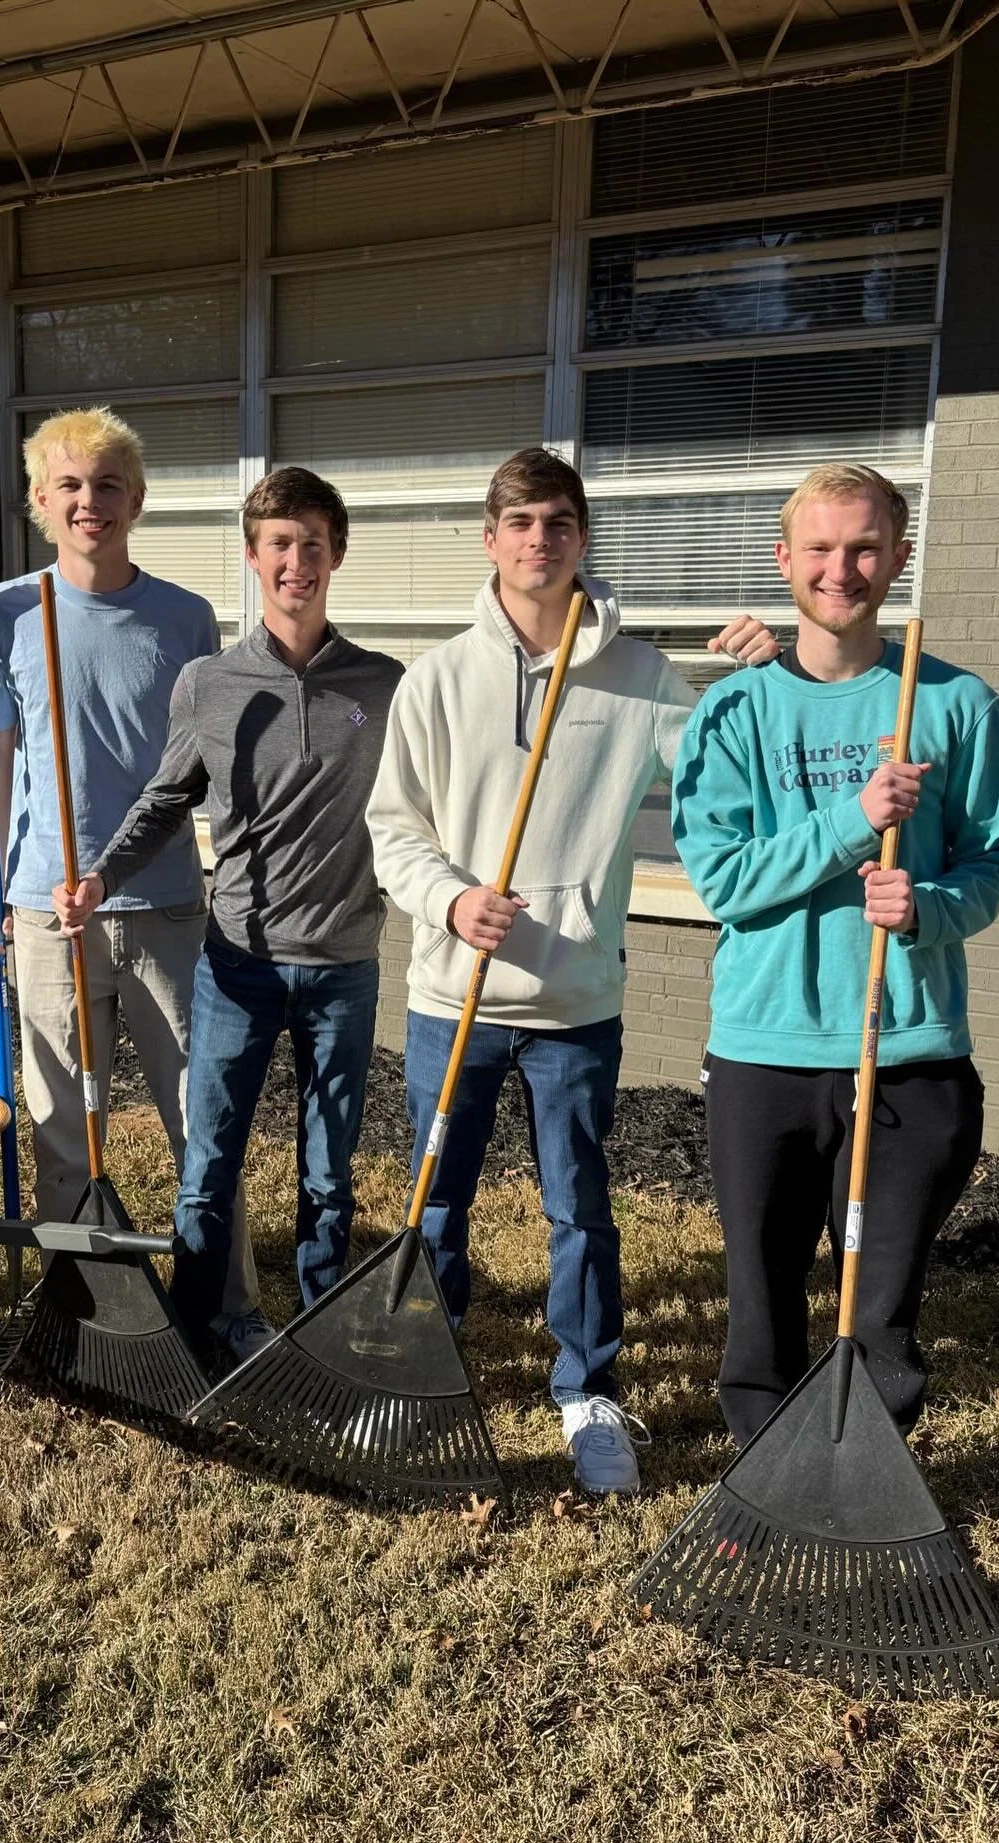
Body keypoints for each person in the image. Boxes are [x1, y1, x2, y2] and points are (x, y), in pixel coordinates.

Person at [365, 447, 777, 1496]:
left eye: (558, 521)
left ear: (581, 536)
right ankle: (431, 1370)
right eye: (520, 521)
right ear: (490, 538)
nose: (539, 539)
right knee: (436, 1204)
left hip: (575, 1006)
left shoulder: (640, 678)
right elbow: (392, 826)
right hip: (449, 998)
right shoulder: (439, 677)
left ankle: (587, 1391)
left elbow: (734, 779)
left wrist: (770, 678)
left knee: (579, 1209)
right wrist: (453, 899)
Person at [672, 461, 999, 1448]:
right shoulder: (734, 713)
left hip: (908, 1052)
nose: (843, 569)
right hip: (766, 1053)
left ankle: (866, 1496)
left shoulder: (956, 705)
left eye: (866, 547)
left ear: (900, 557)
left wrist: (926, 904)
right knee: (762, 1305)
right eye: (822, 549)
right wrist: (853, 819)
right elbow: (725, 882)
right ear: (785, 560)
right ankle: (764, 1482)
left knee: (878, 1317)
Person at [54, 467, 404, 1349]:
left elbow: (433, 798)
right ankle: (206, 1331)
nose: (297, 562)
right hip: (237, 966)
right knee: (209, 1165)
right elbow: (165, 799)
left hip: (344, 966)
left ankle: (322, 1333)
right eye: (279, 544)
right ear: (253, 557)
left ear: (337, 557)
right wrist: (98, 875)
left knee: (330, 1173)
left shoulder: (383, 686)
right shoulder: (208, 683)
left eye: (313, 545)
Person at [0, 405, 260, 1352]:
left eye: (107, 484)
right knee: (58, 1124)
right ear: (41, 500)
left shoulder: (184, 618)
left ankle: (230, 1305)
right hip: (46, 908)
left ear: (136, 499)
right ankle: (79, 1306)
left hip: (168, 903)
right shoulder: (8, 611)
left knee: (200, 1119)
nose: (89, 501)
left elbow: (203, 766)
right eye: (70, 485)